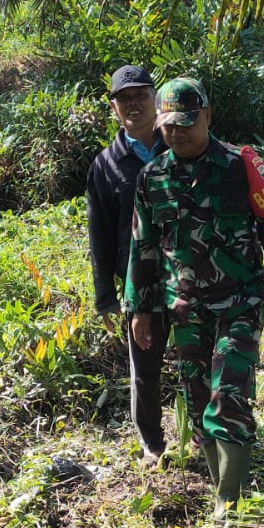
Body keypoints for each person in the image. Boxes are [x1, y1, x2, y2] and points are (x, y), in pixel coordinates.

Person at [125, 77, 264, 516]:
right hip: (185, 308)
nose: (178, 133)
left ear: (208, 116)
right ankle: (219, 483)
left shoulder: (241, 165)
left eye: (187, 123)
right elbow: (143, 248)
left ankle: (229, 502)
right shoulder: (153, 176)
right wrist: (140, 309)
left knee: (231, 394)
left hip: (240, 301)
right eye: (169, 125)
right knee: (199, 396)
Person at [87, 65, 169, 464]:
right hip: (139, 284)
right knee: (145, 368)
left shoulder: (182, 144)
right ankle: (152, 444)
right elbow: (99, 235)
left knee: (198, 360)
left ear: (156, 100)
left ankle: (205, 436)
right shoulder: (106, 165)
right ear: (115, 109)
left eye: (140, 96)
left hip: (191, 278)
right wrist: (105, 299)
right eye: (124, 99)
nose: (133, 105)